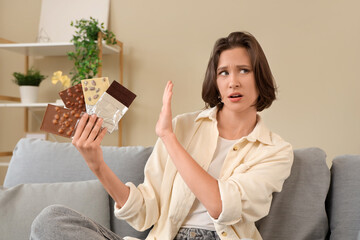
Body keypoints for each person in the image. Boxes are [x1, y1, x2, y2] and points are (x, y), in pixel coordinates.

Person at [30, 31, 294, 240]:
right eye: (224, 72)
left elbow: (221, 206)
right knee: (52, 221)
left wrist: (168, 138)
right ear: (215, 80)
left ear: (260, 77)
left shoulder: (275, 151)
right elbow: (145, 213)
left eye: (244, 70)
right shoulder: (183, 126)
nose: (233, 82)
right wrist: (96, 164)